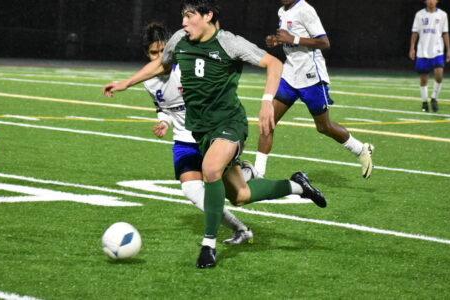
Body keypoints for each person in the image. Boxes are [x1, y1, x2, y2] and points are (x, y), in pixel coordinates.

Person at [103, 0, 326, 269]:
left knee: (210, 169)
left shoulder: (229, 43)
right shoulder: (179, 40)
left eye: (189, 16)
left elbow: (274, 64)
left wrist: (268, 101)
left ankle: (208, 246)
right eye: (182, 17)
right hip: (202, 130)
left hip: (229, 123)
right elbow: (162, 65)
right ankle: (299, 186)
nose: (184, 23)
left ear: (207, 16)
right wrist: (126, 83)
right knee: (241, 195)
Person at [142, 22, 255, 245]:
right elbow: (162, 107)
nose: (158, 56)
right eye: (153, 52)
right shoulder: (149, 80)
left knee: (237, 195)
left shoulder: (188, 66)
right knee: (193, 191)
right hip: (184, 141)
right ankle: (240, 229)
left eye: (162, 51)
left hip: (209, 135)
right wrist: (164, 122)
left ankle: (246, 174)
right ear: (146, 53)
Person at [254, 0, 374, 179]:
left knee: (324, 127)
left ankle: (360, 150)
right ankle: (258, 175)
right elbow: (290, 39)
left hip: (311, 78)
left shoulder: (305, 10)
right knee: (267, 122)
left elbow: (324, 42)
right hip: (289, 75)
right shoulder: (282, 11)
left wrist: (291, 39)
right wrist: (277, 41)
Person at [409, 0, 450, 112]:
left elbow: (445, 33)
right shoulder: (419, 14)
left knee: (439, 75)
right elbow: (414, 32)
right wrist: (412, 48)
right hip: (423, 51)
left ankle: (434, 98)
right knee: (423, 78)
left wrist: (448, 50)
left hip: (437, 50)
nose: (431, 1)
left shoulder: (443, 15)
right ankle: (424, 102)